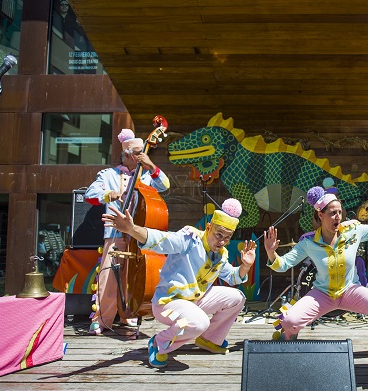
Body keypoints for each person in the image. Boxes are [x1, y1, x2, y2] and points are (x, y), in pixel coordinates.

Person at [103, 199, 257, 368]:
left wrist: (245, 266)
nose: (221, 242)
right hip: (168, 303)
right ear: (208, 228)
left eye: (227, 238)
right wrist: (132, 229)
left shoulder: (220, 254)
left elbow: (234, 277)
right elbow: (160, 239)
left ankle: (209, 339)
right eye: (218, 235)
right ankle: (159, 342)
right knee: (199, 323)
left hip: (194, 302)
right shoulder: (189, 239)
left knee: (237, 298)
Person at [263, 181, 368, 345]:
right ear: (320, 215)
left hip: (350, 290)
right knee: (290, 321)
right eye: (332, 213)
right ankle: (289, 336)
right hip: (322, 294)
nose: (338, 216)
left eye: (339, 212)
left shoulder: (354, 231)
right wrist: (271, 252)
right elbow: (283, 265)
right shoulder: (308, 242)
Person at [85, 129, 170, 335]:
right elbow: (90, 194)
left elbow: (165, 186)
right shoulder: (109, 175)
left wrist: (152, 166)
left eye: (143, 152)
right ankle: (101, 318)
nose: (141, 156)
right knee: (108, 276)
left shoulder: (147, 176)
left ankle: (128, 315)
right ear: (128, 155)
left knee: (132, 278)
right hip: (114, 233)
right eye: (138, 153)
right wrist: (108, 194)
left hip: (137, 233)